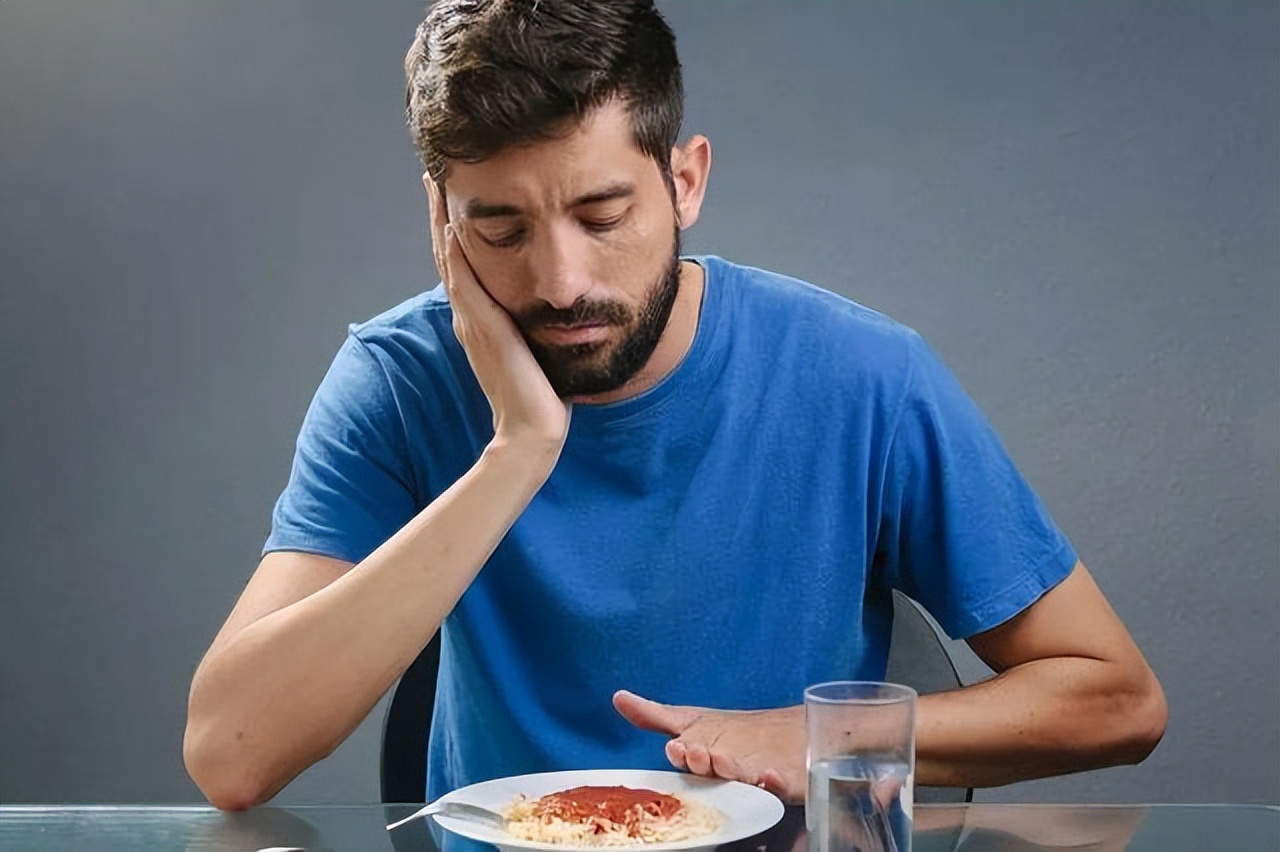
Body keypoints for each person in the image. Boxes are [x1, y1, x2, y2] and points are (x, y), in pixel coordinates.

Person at [183, 0, 1166, 811]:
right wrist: (518, 450)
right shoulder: (399, 378)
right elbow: (232, 756)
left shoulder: (861, 375)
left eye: (600, 215)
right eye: (500, 228)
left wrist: (810, 737)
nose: (559, 281)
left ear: (684, 180)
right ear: (442, 221)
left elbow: (1112, 700)